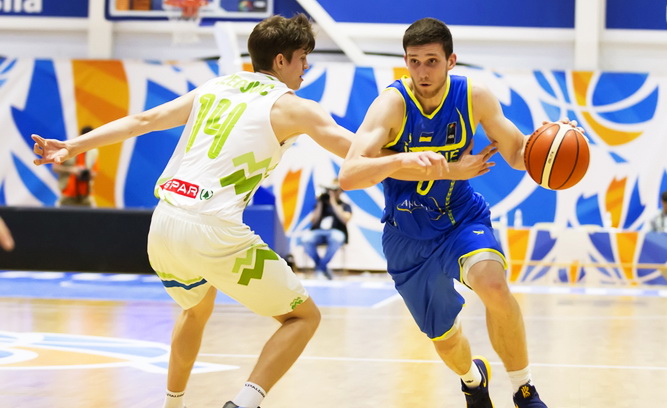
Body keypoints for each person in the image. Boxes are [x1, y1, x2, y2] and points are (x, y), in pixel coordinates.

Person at [32, 14, 353, 408]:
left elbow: (144, 120)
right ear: (282, 60)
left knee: (195, 310)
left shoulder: (217, 86)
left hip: (164, 223)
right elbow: (355, 150)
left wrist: (72, 145)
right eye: (303, 57)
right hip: (212, 229)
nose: (306, 66)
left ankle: (172, 404)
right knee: (303, 318)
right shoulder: (296, 108)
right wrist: (410, 159)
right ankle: (243, 404)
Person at [339, 18, 579, 408]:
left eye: (432, 61)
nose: (422, 72)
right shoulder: (391, 105)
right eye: (414, 61)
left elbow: (518, 153)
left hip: (461, 218)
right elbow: (349, 174)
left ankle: (524, 390)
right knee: (446, 340)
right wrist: (411, 161)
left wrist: (550, 142)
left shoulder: (473, 97)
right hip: (407, 235)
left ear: (451, 61)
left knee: (494, 286)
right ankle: (472, 380)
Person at [301, 179, 352, 279]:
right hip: (318, 231)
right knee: (306, 239)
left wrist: (333, 202)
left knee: (337, 238)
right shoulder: (321, 204)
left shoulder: (345, 205)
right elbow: (313, 220)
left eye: (336, 190)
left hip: (336, 231)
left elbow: (345, 219)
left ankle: (320, 268)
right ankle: (323, 268)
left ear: (341, 191)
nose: (332, 192)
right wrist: (320, 203)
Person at [52, 126, 99, 207]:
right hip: (68, 193)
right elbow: (55, 167)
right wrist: (72, 170)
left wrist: (86, 172)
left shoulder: (93, 152)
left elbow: (94, 173)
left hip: (85, 194)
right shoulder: (68, 148)